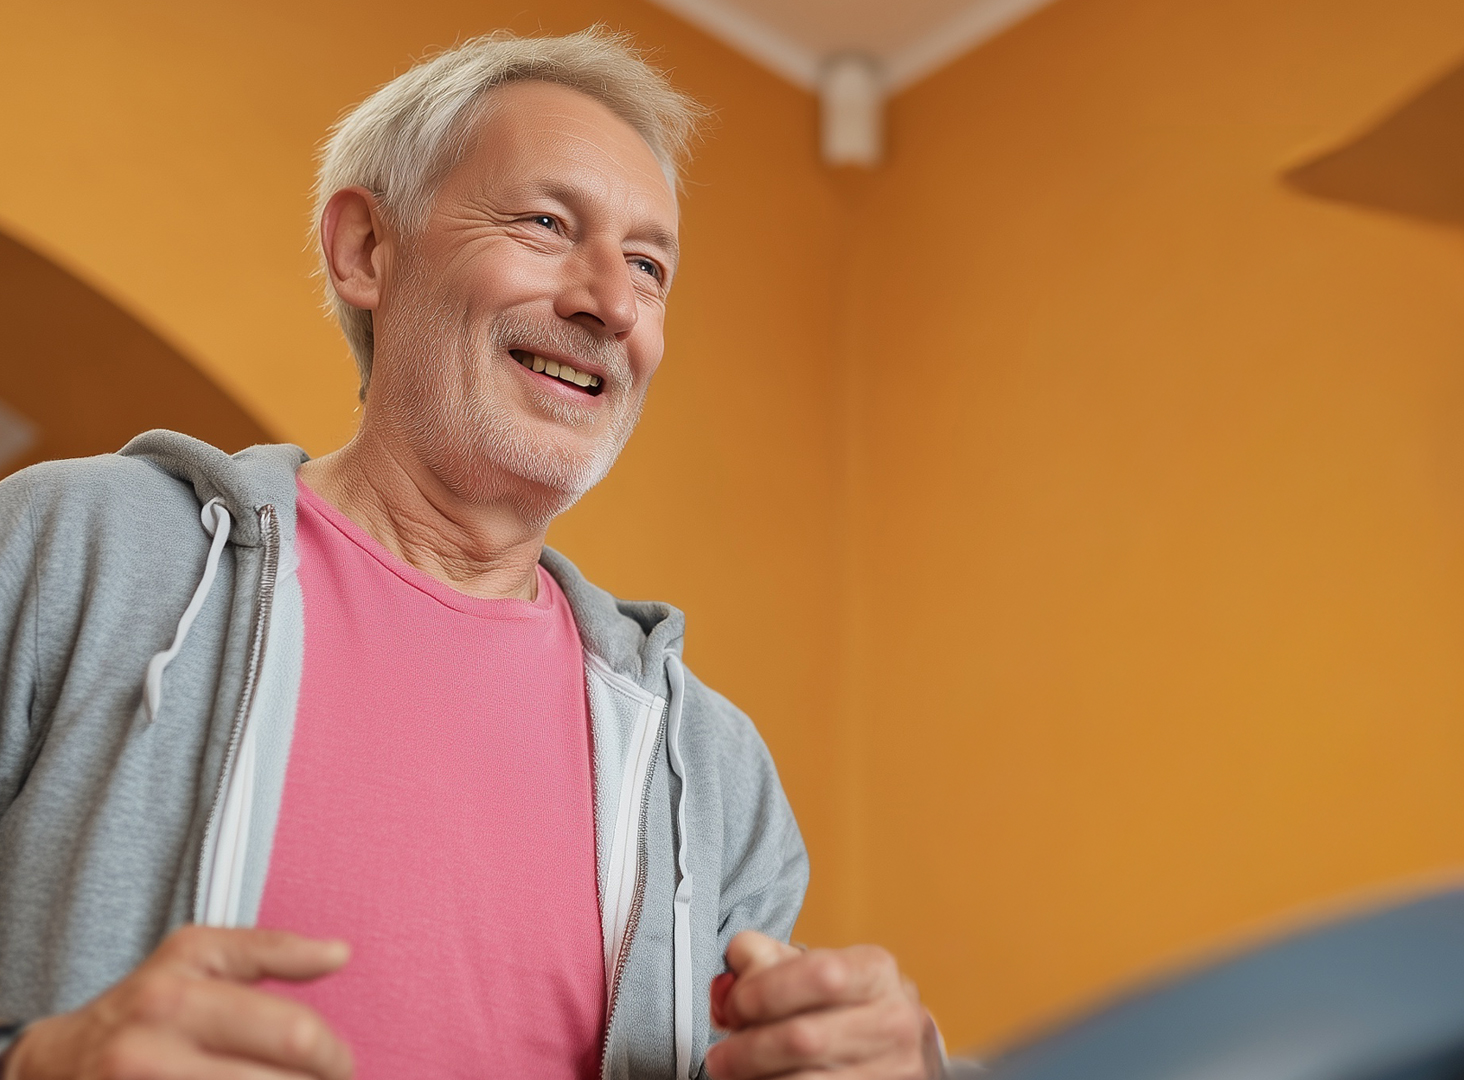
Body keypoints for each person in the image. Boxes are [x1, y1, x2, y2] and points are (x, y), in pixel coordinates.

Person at [0, 28, 939, 1080]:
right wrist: (42, 1063)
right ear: (366, 250)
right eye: (547, 223)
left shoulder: (712, 765)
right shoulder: (72, 551)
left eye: (648, 265)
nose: (612, 304)